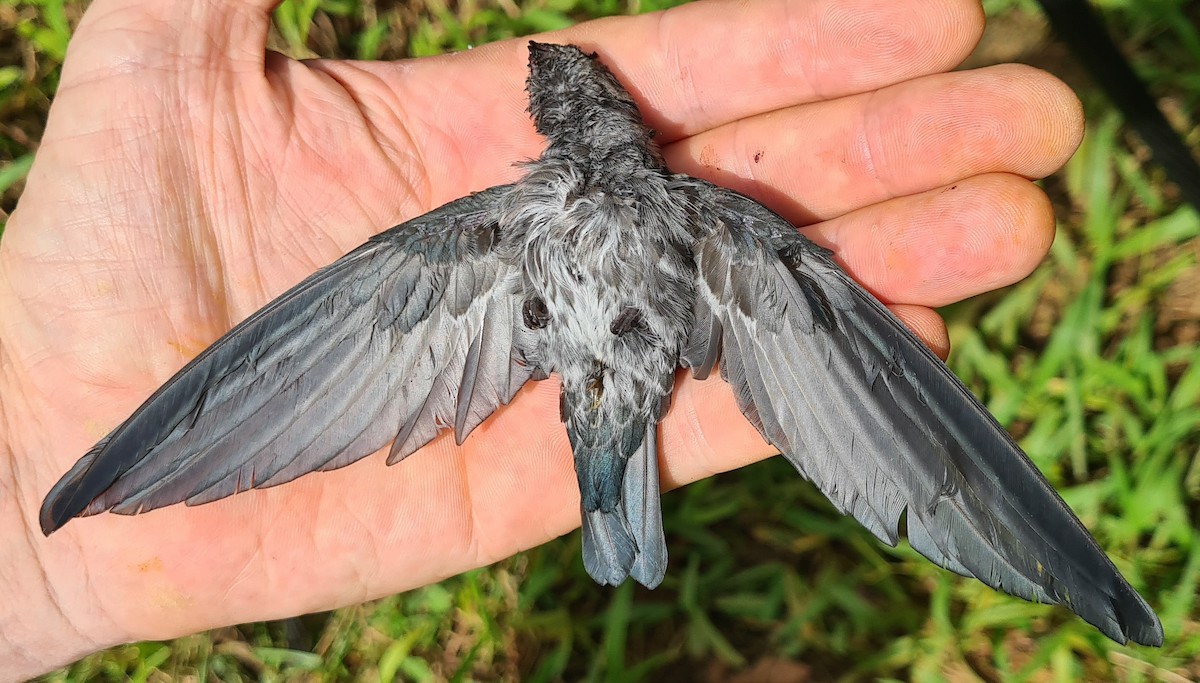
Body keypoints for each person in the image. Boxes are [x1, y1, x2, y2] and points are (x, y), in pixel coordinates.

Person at [0, 0, 1084, 677]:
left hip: (584, 372)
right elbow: (838, 341)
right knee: (844, 320)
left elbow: (343, 322)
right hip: (642, 346)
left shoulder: (482, 239)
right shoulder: (723, 230)